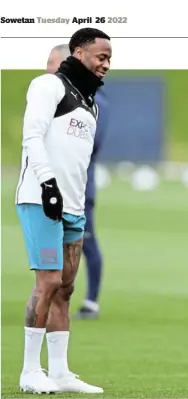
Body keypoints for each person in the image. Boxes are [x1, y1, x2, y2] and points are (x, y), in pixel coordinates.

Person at [15, 27, 112, 394]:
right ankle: (29, 370)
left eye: (110, 59)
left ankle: (60, 372)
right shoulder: (48, 86)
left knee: (66, 288)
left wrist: (73, 199)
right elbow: (32, 136)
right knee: (49, 281)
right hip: (42, 199)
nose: (106, 65)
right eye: (101, 56)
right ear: (78, 52)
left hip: (73, 205)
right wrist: (47, 185)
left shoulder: (91, 103)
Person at [46, 44, 110, 320]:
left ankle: (90, 300)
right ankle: (47, 296)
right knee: (48, 247)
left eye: (53, 62)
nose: (49, 68)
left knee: (85, 244)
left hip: (79, 188)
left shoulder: (96, 102)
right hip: (48, 188)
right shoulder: (46, 96)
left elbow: (90, 145)